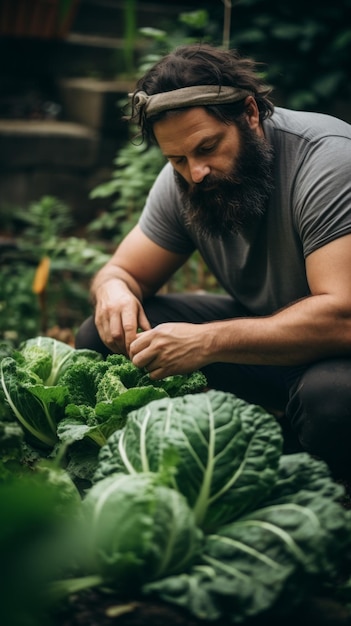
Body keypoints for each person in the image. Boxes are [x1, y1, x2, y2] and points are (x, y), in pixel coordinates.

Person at [76, 43, 351, 478]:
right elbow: (122, 271)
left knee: (335, 397)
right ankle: (179, 466)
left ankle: (318, 485)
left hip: (336, 355)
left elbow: (342, 319)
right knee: (106, 334)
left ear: (250, 113)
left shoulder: (329, 161)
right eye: (177, 159)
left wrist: (206, 342)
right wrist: (112, 290)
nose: (195, 173)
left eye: (208, 147)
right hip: (272, 346)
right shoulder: (185, 179)